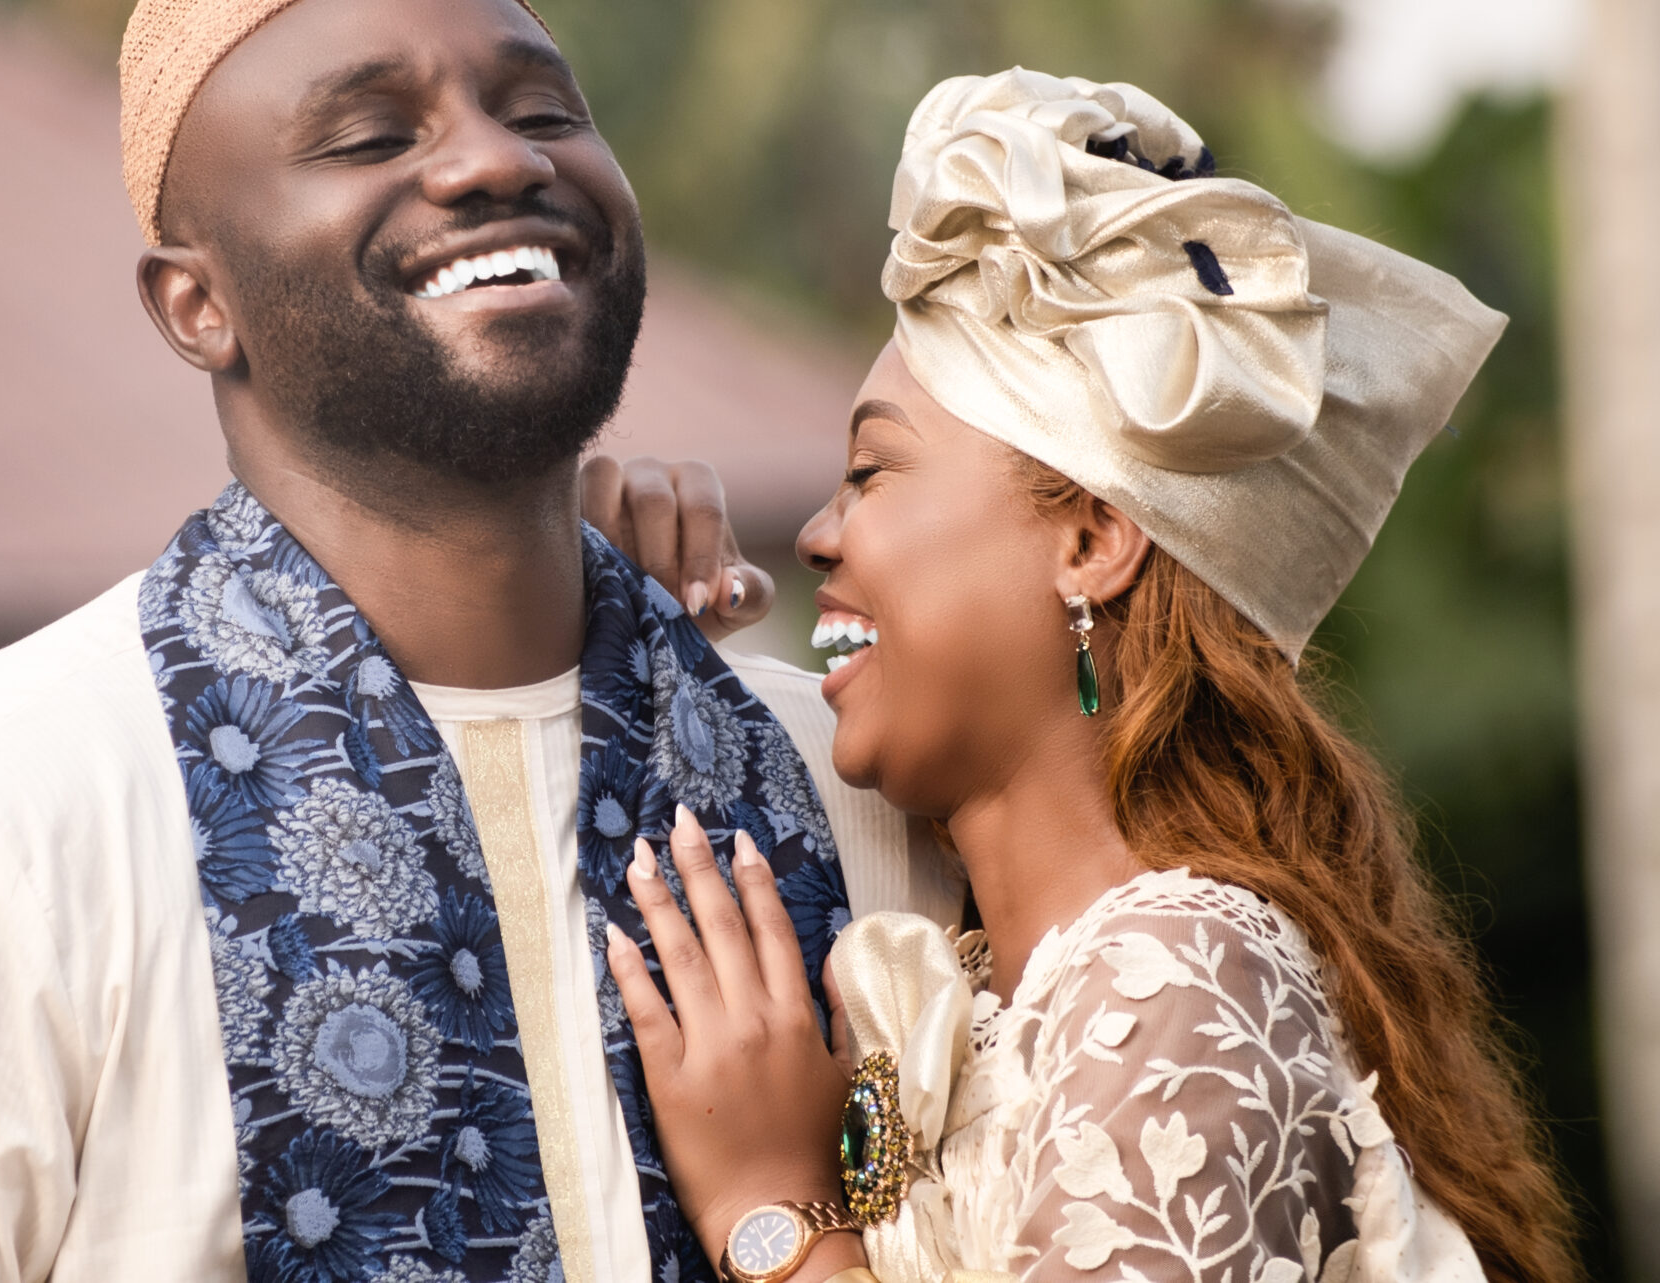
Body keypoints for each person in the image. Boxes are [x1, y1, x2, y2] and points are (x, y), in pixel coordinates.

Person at [0, 0, 961, 1283]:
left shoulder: (843, 778)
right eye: (367, 137)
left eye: (542, 109)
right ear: (196, 302)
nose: (493, 159)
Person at [598, 70, 1579, 1283]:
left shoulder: (1174, 970)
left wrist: (775, 1216)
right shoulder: (969, 986)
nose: (817, 535)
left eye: (872, 473)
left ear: (1089, 541)